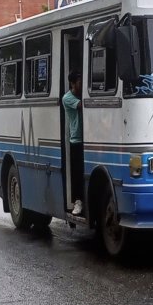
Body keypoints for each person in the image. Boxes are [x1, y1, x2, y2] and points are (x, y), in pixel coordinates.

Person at [62, 71, 84, 216]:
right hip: (76, 139)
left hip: (88, 138)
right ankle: (78, 201)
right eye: (79, 81)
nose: (82, 84)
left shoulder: (81, 94)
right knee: (77, 173)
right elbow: (83, 106)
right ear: (72, 83)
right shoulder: (67, 98)